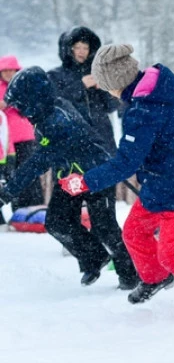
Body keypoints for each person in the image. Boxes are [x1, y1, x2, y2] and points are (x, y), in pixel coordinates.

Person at [57, 44, 174, 317]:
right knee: (133, 233)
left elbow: (126, 163)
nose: (105, 91)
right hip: (158, 184)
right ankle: (156, 278)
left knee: (173, 254)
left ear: (116, 83)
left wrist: (84, 182)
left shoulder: (142, 111)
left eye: (105, 86)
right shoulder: (159, 93)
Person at [0, 67, 140, 289]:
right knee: (57, 222)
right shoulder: (44, 115)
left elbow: (38, 161)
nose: (21, 111)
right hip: (69, 177)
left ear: (33, 97)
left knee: (104, 227)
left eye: (21, 104)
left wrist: (7, 192)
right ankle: (94, 257)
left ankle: (131, 275)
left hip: (95, 175)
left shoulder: (57, 120)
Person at [48, 26, 120, 154]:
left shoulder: (98, 73)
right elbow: (52, 103)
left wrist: (104, 88)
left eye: (86, 48)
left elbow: (112, 106)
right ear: (69, 49)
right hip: (71, 137)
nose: (82, 52)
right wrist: (80, 86)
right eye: (77, 47)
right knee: (73, 174)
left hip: (102, 137)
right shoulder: (55, 75)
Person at [0, 55, 44, 214]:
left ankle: (37, 208)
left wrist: (13, 102)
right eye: (5, 71)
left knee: (31, 172)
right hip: (6, 142)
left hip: (27, 138)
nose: (8, 73)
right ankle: (19, 210)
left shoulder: (24, 86)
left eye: (11, 70)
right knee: (14, 176)